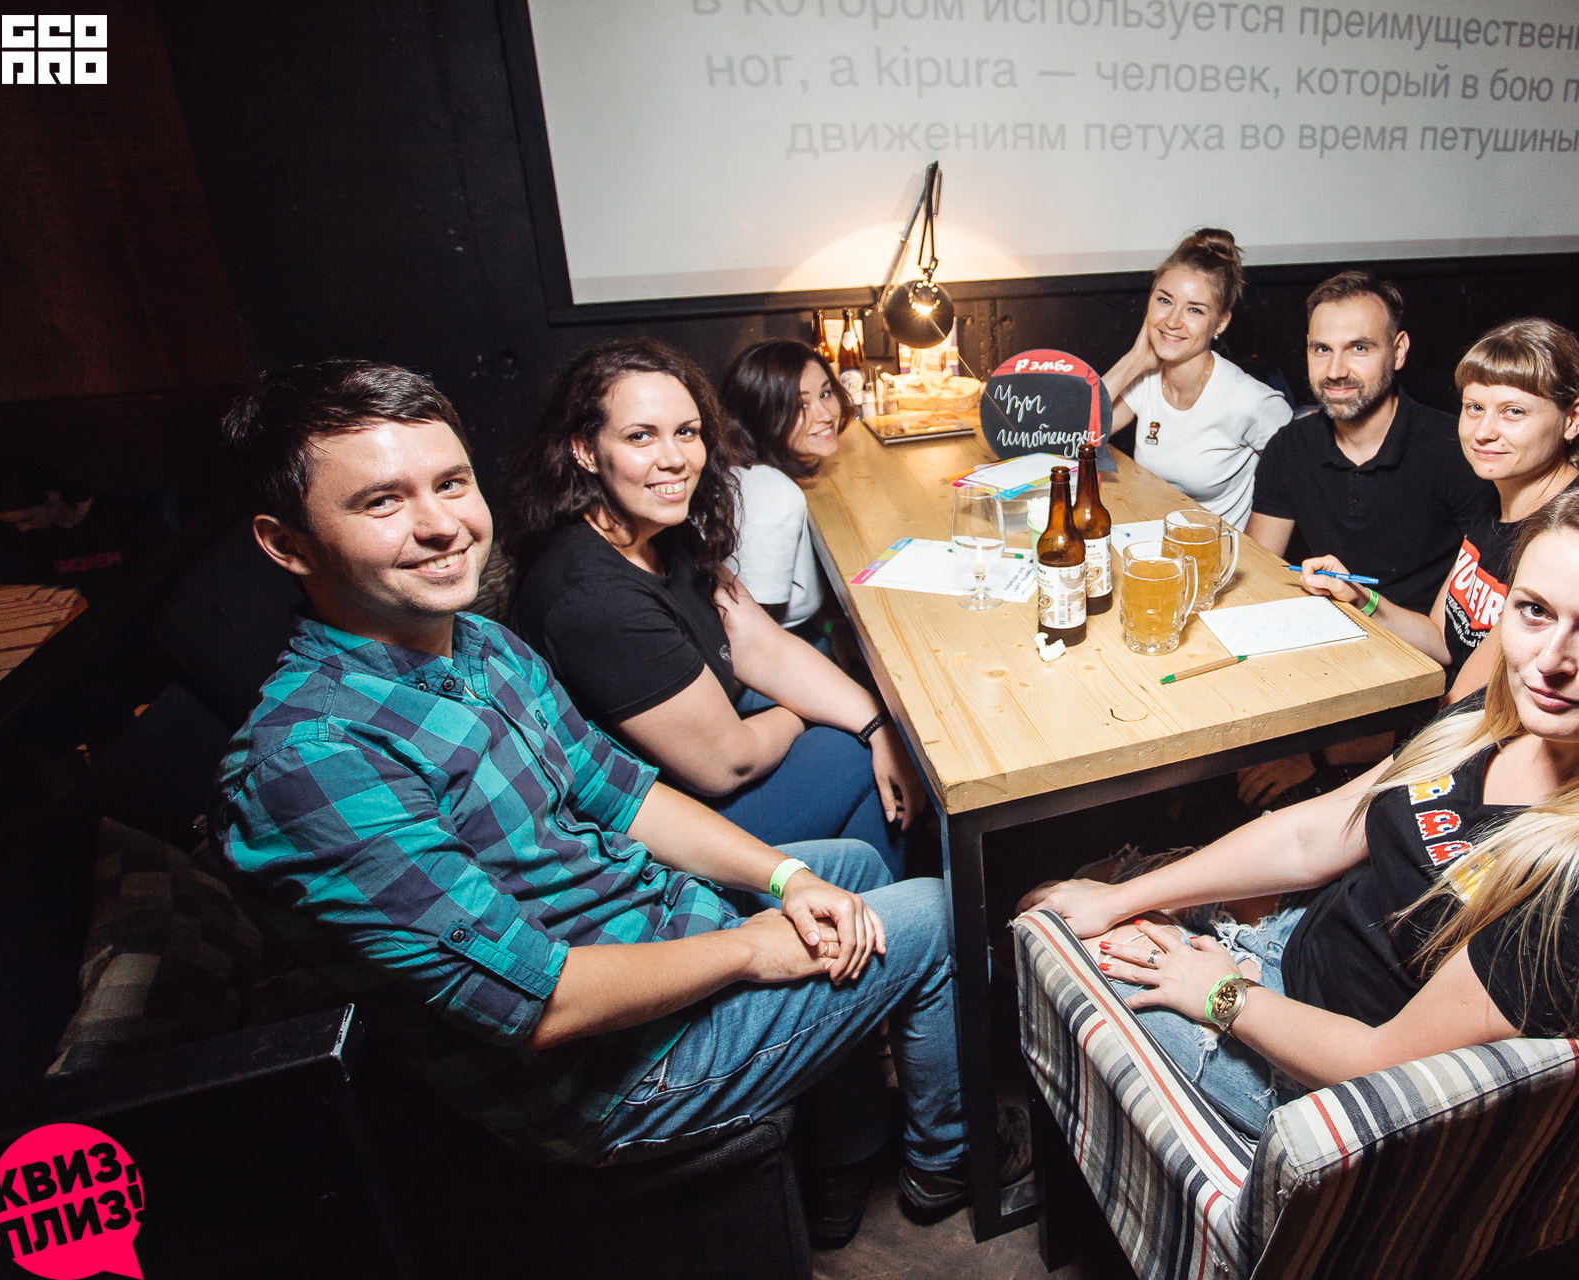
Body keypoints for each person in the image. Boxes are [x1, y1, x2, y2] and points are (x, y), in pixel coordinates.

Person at [213, 360, 1021, 1248]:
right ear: (287, 544)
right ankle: (947, 1163)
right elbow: (534, 1002)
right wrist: (750, 948)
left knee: (851, 871)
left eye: (449, 483)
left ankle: (843, 1154)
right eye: (381, 502)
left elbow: (624, 795)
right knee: (933, 913)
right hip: (604, 1077)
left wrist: (784, 879)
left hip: (655, 922)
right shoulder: (314, 762)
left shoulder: (477, 645)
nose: (441, 525)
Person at [1021, 481, 1579, 1137]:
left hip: (1308, 1077)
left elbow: (1384, 1064)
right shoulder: (1497, 720)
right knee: (1069, 896)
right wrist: (1121, 900)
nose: (1549, 661)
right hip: (1291, 948)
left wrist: (1221, 994)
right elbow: (1315, 836)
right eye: (1534, 611)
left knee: (1040, 941)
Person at [505, 338, 923, 878]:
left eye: (686, 431)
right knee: (852, 752)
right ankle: (875, 907)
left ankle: (861, 893)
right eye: (640, 436)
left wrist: (876, 722)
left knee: (872, 728)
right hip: (646, 832)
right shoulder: (594, 600)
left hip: (703, 750)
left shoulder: (654, 527)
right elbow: (729, 762)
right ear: (585, 450)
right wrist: (811, 716)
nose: (674, 458)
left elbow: (760, 643)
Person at [1235, 273, 1494, 808]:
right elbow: (1256, 575)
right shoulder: (1290, 448)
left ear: (1398, 351)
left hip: (1414, 692)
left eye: (1358, 348)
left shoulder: (1458, 452)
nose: (1335, 370)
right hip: (1324, 669)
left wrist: (1317, 752)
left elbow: (1468, 667)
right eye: (1321, 349)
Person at [1299, 316, 1579, 704]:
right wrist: (1358, 596)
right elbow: (1442, 638)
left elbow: (1471, 702)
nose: (1483, 432)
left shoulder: (1569, 539)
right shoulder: (1497, 500)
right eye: (1474, 408)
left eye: (1513, 412)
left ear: (1573, 419)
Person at [1103, 228, 1292, 528]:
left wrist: (1255, 553)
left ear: (1221, 323)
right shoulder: (1146, 378)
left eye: (1194, 310)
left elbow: (1298, 486)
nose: (1172, 321)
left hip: (1214, 552)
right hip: (1150, 538)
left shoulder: (1248, 400)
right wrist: (1133, 360)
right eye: (1164, 301)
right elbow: (1073, 436)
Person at [718, 337, 850, 639]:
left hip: (803, 630)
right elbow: (749, 637)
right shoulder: (774, 496)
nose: (825, 414)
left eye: (825, 393)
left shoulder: (740, 470)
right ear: (761, 413)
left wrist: (832, 626)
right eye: (800, 405)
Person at [0, 459, 171, 600]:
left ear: (51, 496)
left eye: (27, 519)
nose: (22, 528)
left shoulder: (121, 514)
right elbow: (38, 588)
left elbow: (162, 569)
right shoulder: (31, 538)